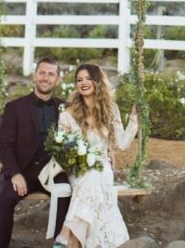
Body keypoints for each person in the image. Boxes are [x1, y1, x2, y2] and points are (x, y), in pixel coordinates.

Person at [52, 63, 139, 248]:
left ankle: (68, 235)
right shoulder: (68, 113)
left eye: (88, 78)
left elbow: (122, 145)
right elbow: (62, 150)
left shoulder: (111, 109)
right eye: (79, 79)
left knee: (98, 175)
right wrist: (76, 156)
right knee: (91, 177)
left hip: (102, 166)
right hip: (78, 168)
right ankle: (73, 238)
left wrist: (134, 119)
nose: (83, 82)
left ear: (97, 81)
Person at [0, 57, 72, 248]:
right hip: (23, 171)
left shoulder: (67, 109)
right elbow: (5, 146)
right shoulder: (15, 107)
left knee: (67, 195)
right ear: (34, 76)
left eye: (51, 74)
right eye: (42, 73)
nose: (46, 78)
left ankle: (59, 244)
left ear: (58, 79)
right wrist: (15, 174)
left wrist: (109, 150)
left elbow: (88, 132)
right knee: (4, 200)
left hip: (53, 171)